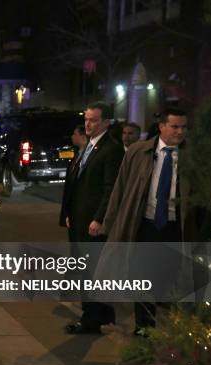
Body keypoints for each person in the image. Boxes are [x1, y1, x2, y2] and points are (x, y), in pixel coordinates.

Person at [101, 108, 200, 332]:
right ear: (161, 126)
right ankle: (144, 327)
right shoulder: (139, 151)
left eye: (184, 127)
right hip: (145, 224)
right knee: (141, 276)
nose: (180, 132)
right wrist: (109, 223)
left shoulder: (191, 156)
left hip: (175, 227)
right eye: (175, 127)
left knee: (170, 278)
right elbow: (120, 188)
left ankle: (167, 328)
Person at [63, 101, 124, 335]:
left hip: (93, 223)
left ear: (106, 122)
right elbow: (76, 184)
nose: (88, 124)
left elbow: (111, 188)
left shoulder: (111, 149)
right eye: (86, 119)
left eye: (94, 120)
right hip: (79, 219)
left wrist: (100, 218)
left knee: (92, 271)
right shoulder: (88, 146)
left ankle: (91, 319)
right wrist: (69, 213)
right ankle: (103, 314)